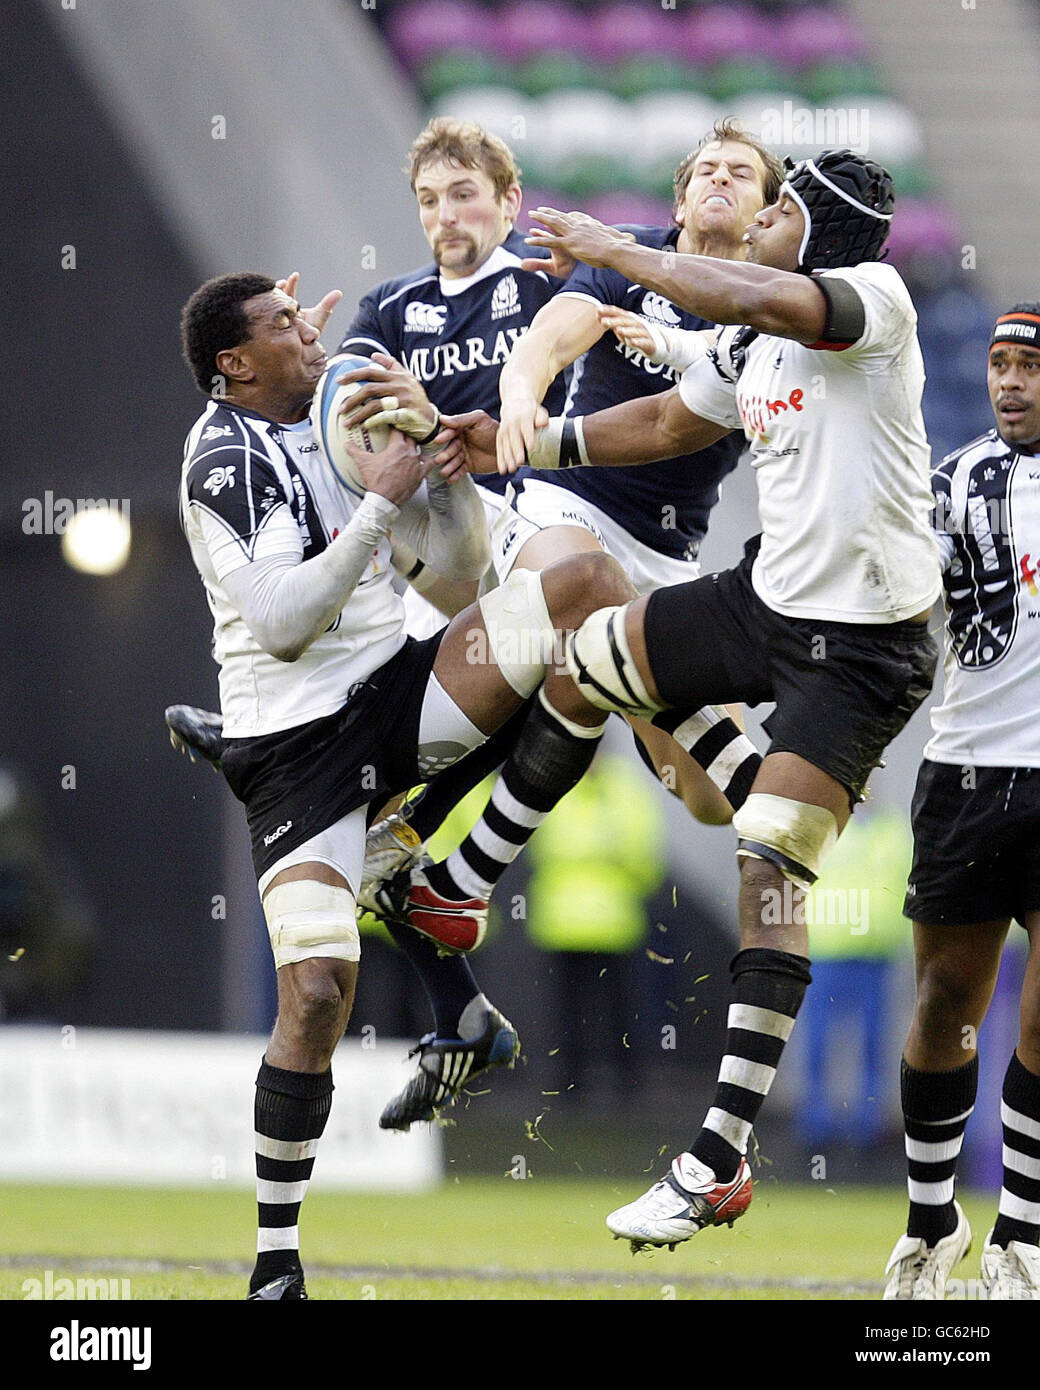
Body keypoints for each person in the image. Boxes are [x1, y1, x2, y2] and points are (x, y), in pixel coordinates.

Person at [448, 148, 941, 1250]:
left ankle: (715, 1156)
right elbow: (669, 424)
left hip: (862, 648)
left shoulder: (872, 301)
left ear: (808, 233)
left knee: (764, 854)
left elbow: (761, 292)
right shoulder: (750, 332)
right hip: (760, 598)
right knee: (583, 653)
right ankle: (460, 876)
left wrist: (621, 252)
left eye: (775, 210)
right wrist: (532, 437)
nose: (755, 222)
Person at [176, 271, 636, 1298]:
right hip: (292, 746)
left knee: (574, 585)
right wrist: (382, 499)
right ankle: (277, 1262)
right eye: (284, 327)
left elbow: (465, 573)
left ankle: (433, 861)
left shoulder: (345, 413)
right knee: (317, 994)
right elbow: (286, 621)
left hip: (391, 694)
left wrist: (444, 475)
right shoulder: (222, 460)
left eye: (305, 318)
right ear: (234, 367)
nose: (313, 333)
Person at [882, 304, 1040, 1301]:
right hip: (969, 770)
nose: (1009, 381)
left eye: (1027, 364)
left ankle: (1019, 1234)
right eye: (996, 363)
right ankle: (927, 1224)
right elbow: (897, 612)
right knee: (946, 1005)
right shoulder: (954, 482)